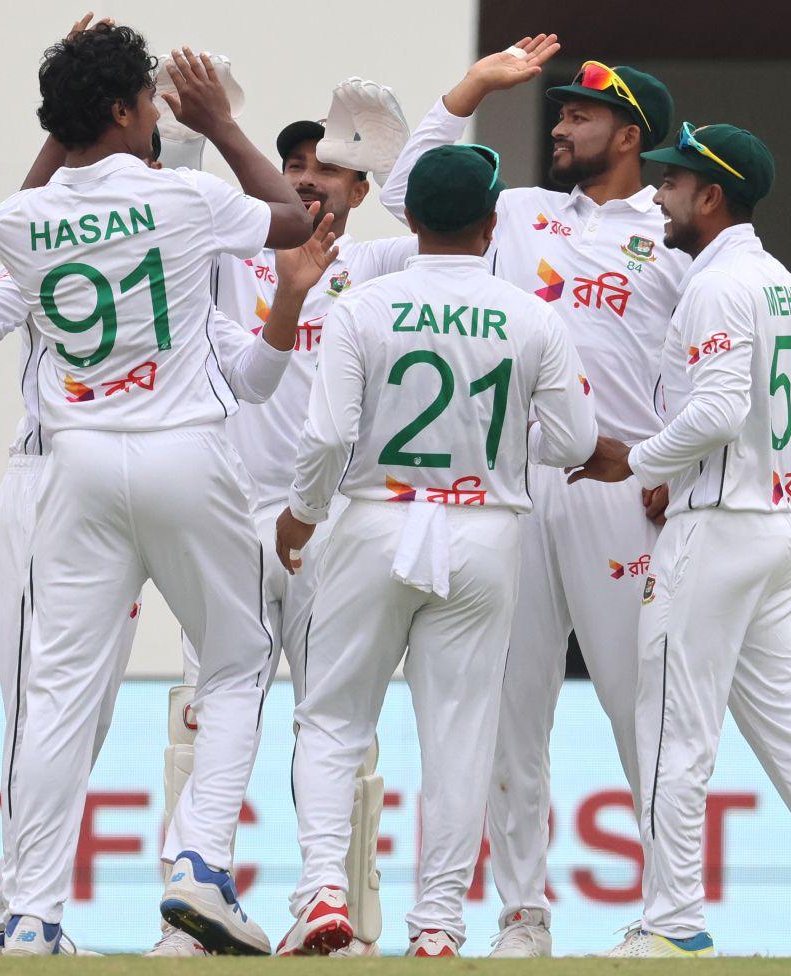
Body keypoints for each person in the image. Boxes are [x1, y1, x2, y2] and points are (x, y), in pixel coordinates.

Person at [0, 20, 313, 954]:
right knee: (237, 660)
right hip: (186, 450)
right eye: (150, 101)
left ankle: (30, 915)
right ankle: (199, 865)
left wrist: (66, 121)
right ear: (124, 110)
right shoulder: (185, 196)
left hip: (73, 467)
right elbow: (291, 222)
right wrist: (223, 124)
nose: (162, 112)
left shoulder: (17, 219)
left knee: (57, 696)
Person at [379, 36, 689, 956]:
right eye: (559, 112)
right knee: (513, 709)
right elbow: (408, 191)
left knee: (644, 706)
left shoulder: (669, 235)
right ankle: (523, 911)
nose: (559, 127)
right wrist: (473, 86)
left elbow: (709, 370)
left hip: (619, 493)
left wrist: (674, 465)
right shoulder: (513, 211)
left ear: (629, 135)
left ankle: (672, 911)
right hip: (509, 488)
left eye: (579, 115)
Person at [573, 121, 791, 957]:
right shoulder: (784, 283)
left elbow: (721, 410)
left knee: (669, 728)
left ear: (711, 195)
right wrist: (773, 471)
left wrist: (643, 464)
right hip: (775, 528)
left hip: (717, 531)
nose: (659, 194)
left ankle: (674, 924)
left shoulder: (717, 288)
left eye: (674, 182)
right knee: (787, 724)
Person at [275, 143, 599, 957]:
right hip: (486, 530)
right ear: (493, 224)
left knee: (332, 718)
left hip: (374, 519)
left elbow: (327, 434)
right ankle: (440, 926)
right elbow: (576, 440)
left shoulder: (362, 305)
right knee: (459, 731)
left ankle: (321, 889)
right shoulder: (533, 315)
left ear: (409, 219)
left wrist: (301, 514)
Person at [158, 85, 414, 957]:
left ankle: (330, 906)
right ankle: (190, 908)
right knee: (209, 709)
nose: (306, 183)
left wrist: (405, 147)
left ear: (359, 187)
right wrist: (188, 133)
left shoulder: (374, 266)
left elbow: (455, 237)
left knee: (337, 717)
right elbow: (176, 190)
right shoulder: (231, 251)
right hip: (227, 512)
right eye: (293, 166)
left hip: (328, 521)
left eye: (328, 169)